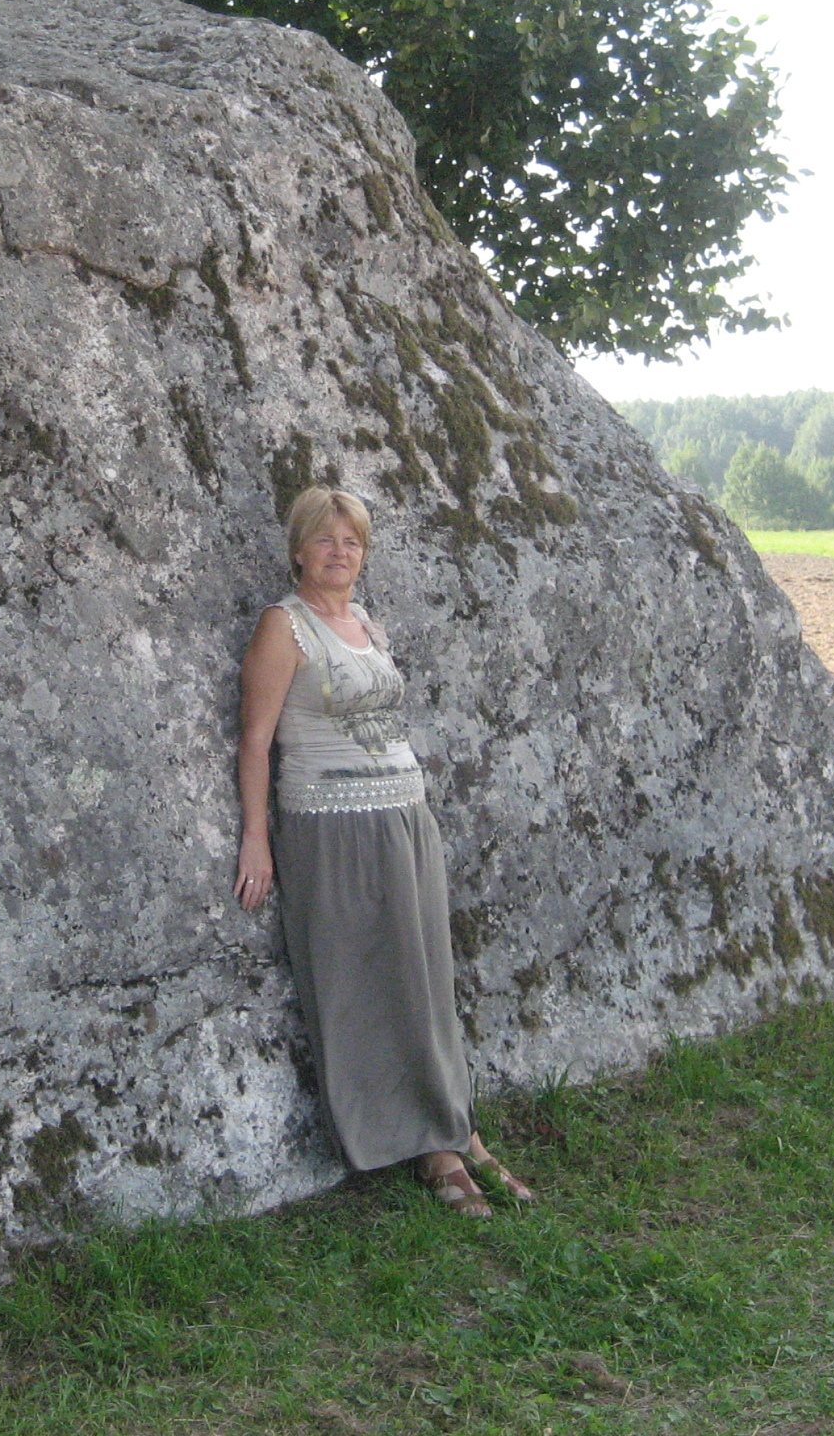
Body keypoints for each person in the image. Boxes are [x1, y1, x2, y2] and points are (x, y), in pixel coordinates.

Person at [236, 486, 534, 1216]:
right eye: (326, 539)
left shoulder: (365, 622)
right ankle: (430, 1148)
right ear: (298, 550)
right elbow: (255, 740)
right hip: (333, 828)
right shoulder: (285, 626)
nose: (340, 553)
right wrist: (256, 839)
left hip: (405, 820)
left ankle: (457, 1128)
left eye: (353, 542)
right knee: (367, 987)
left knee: (426, 978)